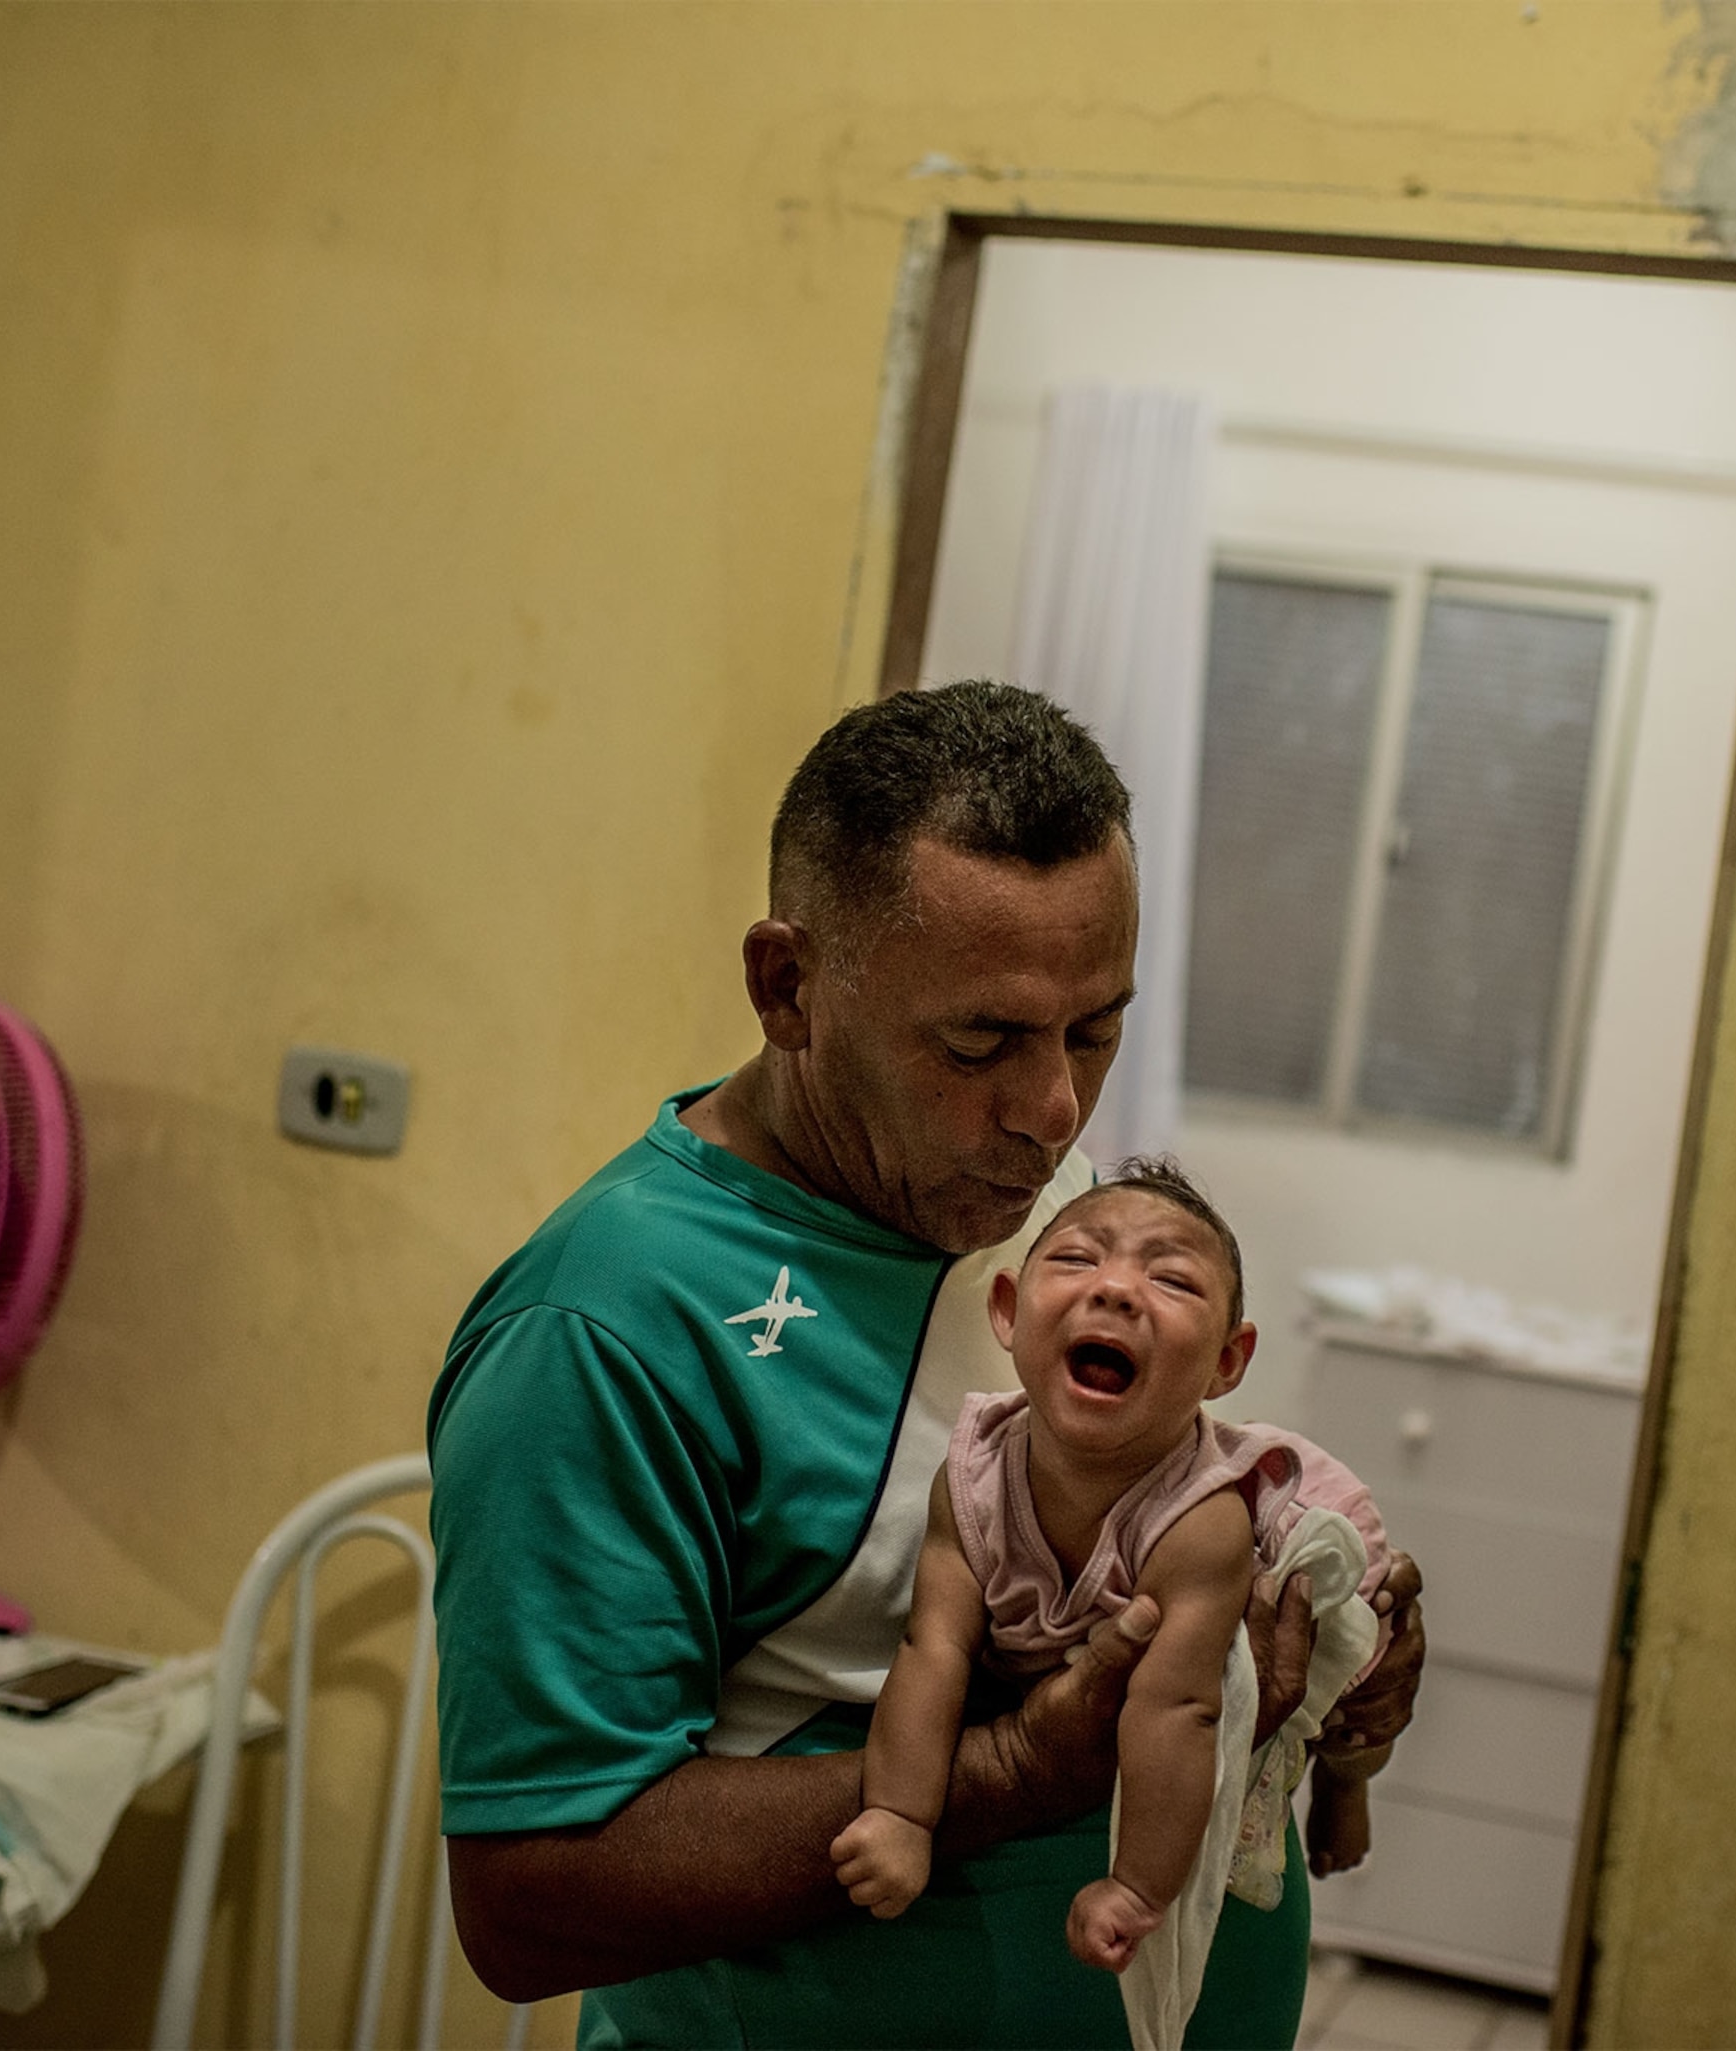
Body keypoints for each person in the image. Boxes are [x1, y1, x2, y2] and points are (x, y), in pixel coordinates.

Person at [430, 682, 1425, 2048]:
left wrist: (1312, 1641)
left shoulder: (1047, 1209)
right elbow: (531, 1894)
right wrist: (1016, 1768)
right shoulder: (604, 1324)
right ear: (788, 987)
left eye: (1095, 1029)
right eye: (982, 1042)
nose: (1055, 1110)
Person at [832, 1161, 1395, 1988]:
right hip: (1072, 1631)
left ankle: (1348, 1785)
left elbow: (1182, 1712)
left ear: (1226, 1363)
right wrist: (900, 1813)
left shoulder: (1202, 1523)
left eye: (1171, 1278)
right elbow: (935, 1646)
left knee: (1336, 1700)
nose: (1117, 1290)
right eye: (1075, 1261)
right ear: (1007, 1312)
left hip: (1265, 1586)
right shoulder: (974, 1475)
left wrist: (1136, 1886)